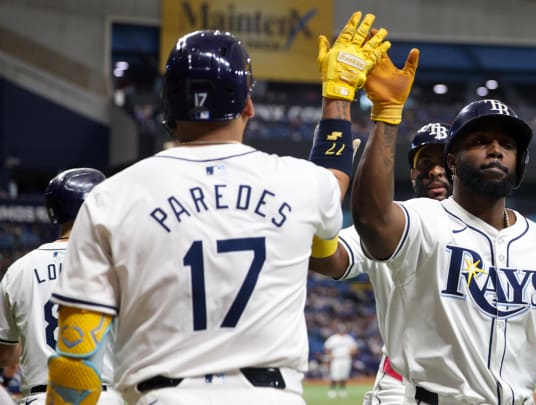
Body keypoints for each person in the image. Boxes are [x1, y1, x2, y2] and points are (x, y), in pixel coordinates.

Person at [46, 11, 390, 405]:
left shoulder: (110, 197)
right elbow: (334, 175)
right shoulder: (300, 183)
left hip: (162, 397)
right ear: (248, 105)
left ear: (168, 110)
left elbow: (76, 362)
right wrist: (338, 94)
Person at [350, 47, 536, 404]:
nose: (496, 150)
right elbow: (371, 221)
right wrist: (387, 116)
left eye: (507, 144)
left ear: (520, 164)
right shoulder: (426, 219)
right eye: (480, 141)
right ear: (452, 161)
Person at [324, 122, 452, 405]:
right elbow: (330, 259)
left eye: (445, 161)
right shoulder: (387, 224)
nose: (436, 170)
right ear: (413, 174)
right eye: (425, 163)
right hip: (402, 388)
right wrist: (326, 195)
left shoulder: (491, 230)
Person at [0, 168, 124, 405]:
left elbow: (4, 354)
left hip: (40, 397)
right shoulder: (116, 263)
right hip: (102, 396)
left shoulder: (20, 269)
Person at [323, 324, 358, 399]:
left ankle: (342, 391)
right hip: (336, 359)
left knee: (344, 376)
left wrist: (351, 352)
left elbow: (355, 349)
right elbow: (326, 347)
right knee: (334, 375)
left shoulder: (349, 338)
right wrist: (331, 354)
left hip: (346, 359)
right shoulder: (334, 338)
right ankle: (332, 391)